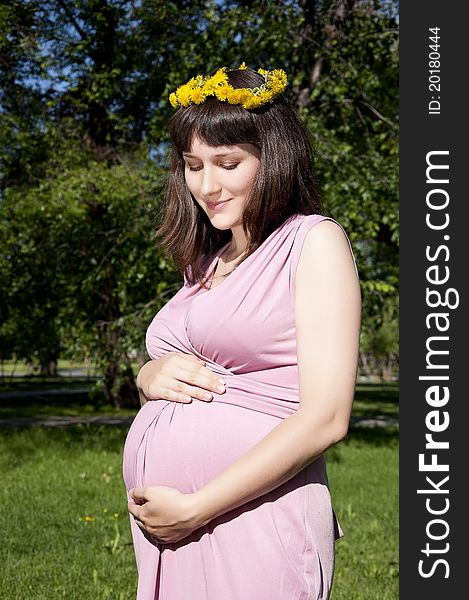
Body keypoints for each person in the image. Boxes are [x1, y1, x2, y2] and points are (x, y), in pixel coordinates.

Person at [123, 63, 361, 600]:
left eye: (228, 164)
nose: (207, 186)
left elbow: (326, 417)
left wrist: (195, 507)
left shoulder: (313, 242)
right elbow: (195, 371)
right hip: (176, 531)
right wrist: (149, 374)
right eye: (192, 165)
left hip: (252, 517)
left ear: (272, 156)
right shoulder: (206, 263)